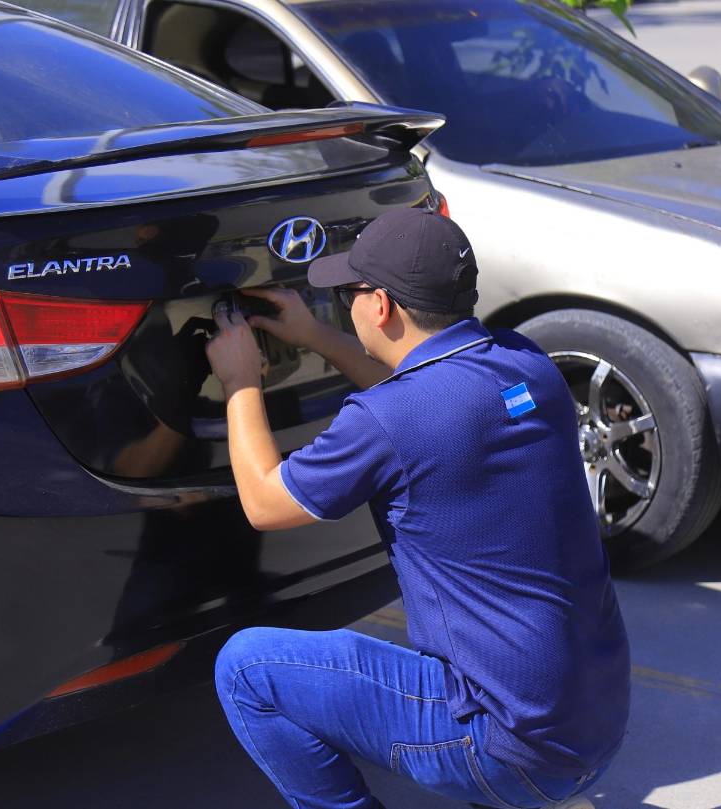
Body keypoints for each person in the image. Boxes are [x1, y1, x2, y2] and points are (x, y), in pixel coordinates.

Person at [205, 208, 630, 809]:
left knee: (246, 668)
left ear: (380, 306)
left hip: (508, 745)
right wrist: (314, 335)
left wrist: (240, 379)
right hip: (595, 724)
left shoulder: (387, 420)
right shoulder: (526, 366)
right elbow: (417, 407)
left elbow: (265, 503)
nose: (343, 308)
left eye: (347, 295)